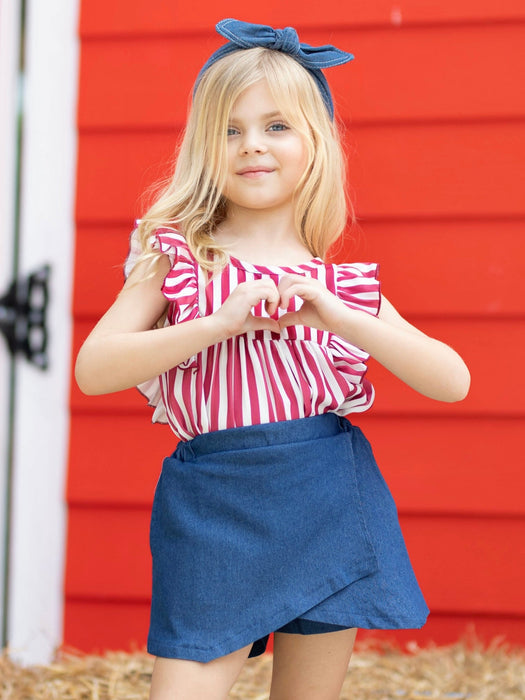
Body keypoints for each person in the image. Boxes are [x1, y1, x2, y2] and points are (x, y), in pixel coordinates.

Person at [75, 18, 471, 700]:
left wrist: (339, 316)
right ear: (204, 146)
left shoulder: (339, 284)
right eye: (230, 129)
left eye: (275, 126)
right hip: (213, 507)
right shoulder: (177, 259)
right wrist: (216, 323)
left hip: (327, 500)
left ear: (314, 144)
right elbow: (96, 366)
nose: (251, 145)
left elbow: (451, 381)